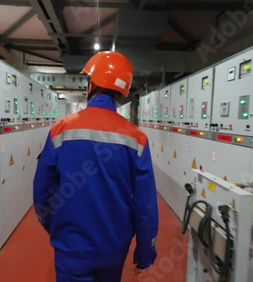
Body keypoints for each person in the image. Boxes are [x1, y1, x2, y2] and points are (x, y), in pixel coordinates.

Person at [33, 51, 158, 281]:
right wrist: (144, 254)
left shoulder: (61, 130)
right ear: (121, 92)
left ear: (91, 85)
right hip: (113, 247)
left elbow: (42, 192)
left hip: (71, 246)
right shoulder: (137, 139)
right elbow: (146, 207)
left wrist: (57, 228)